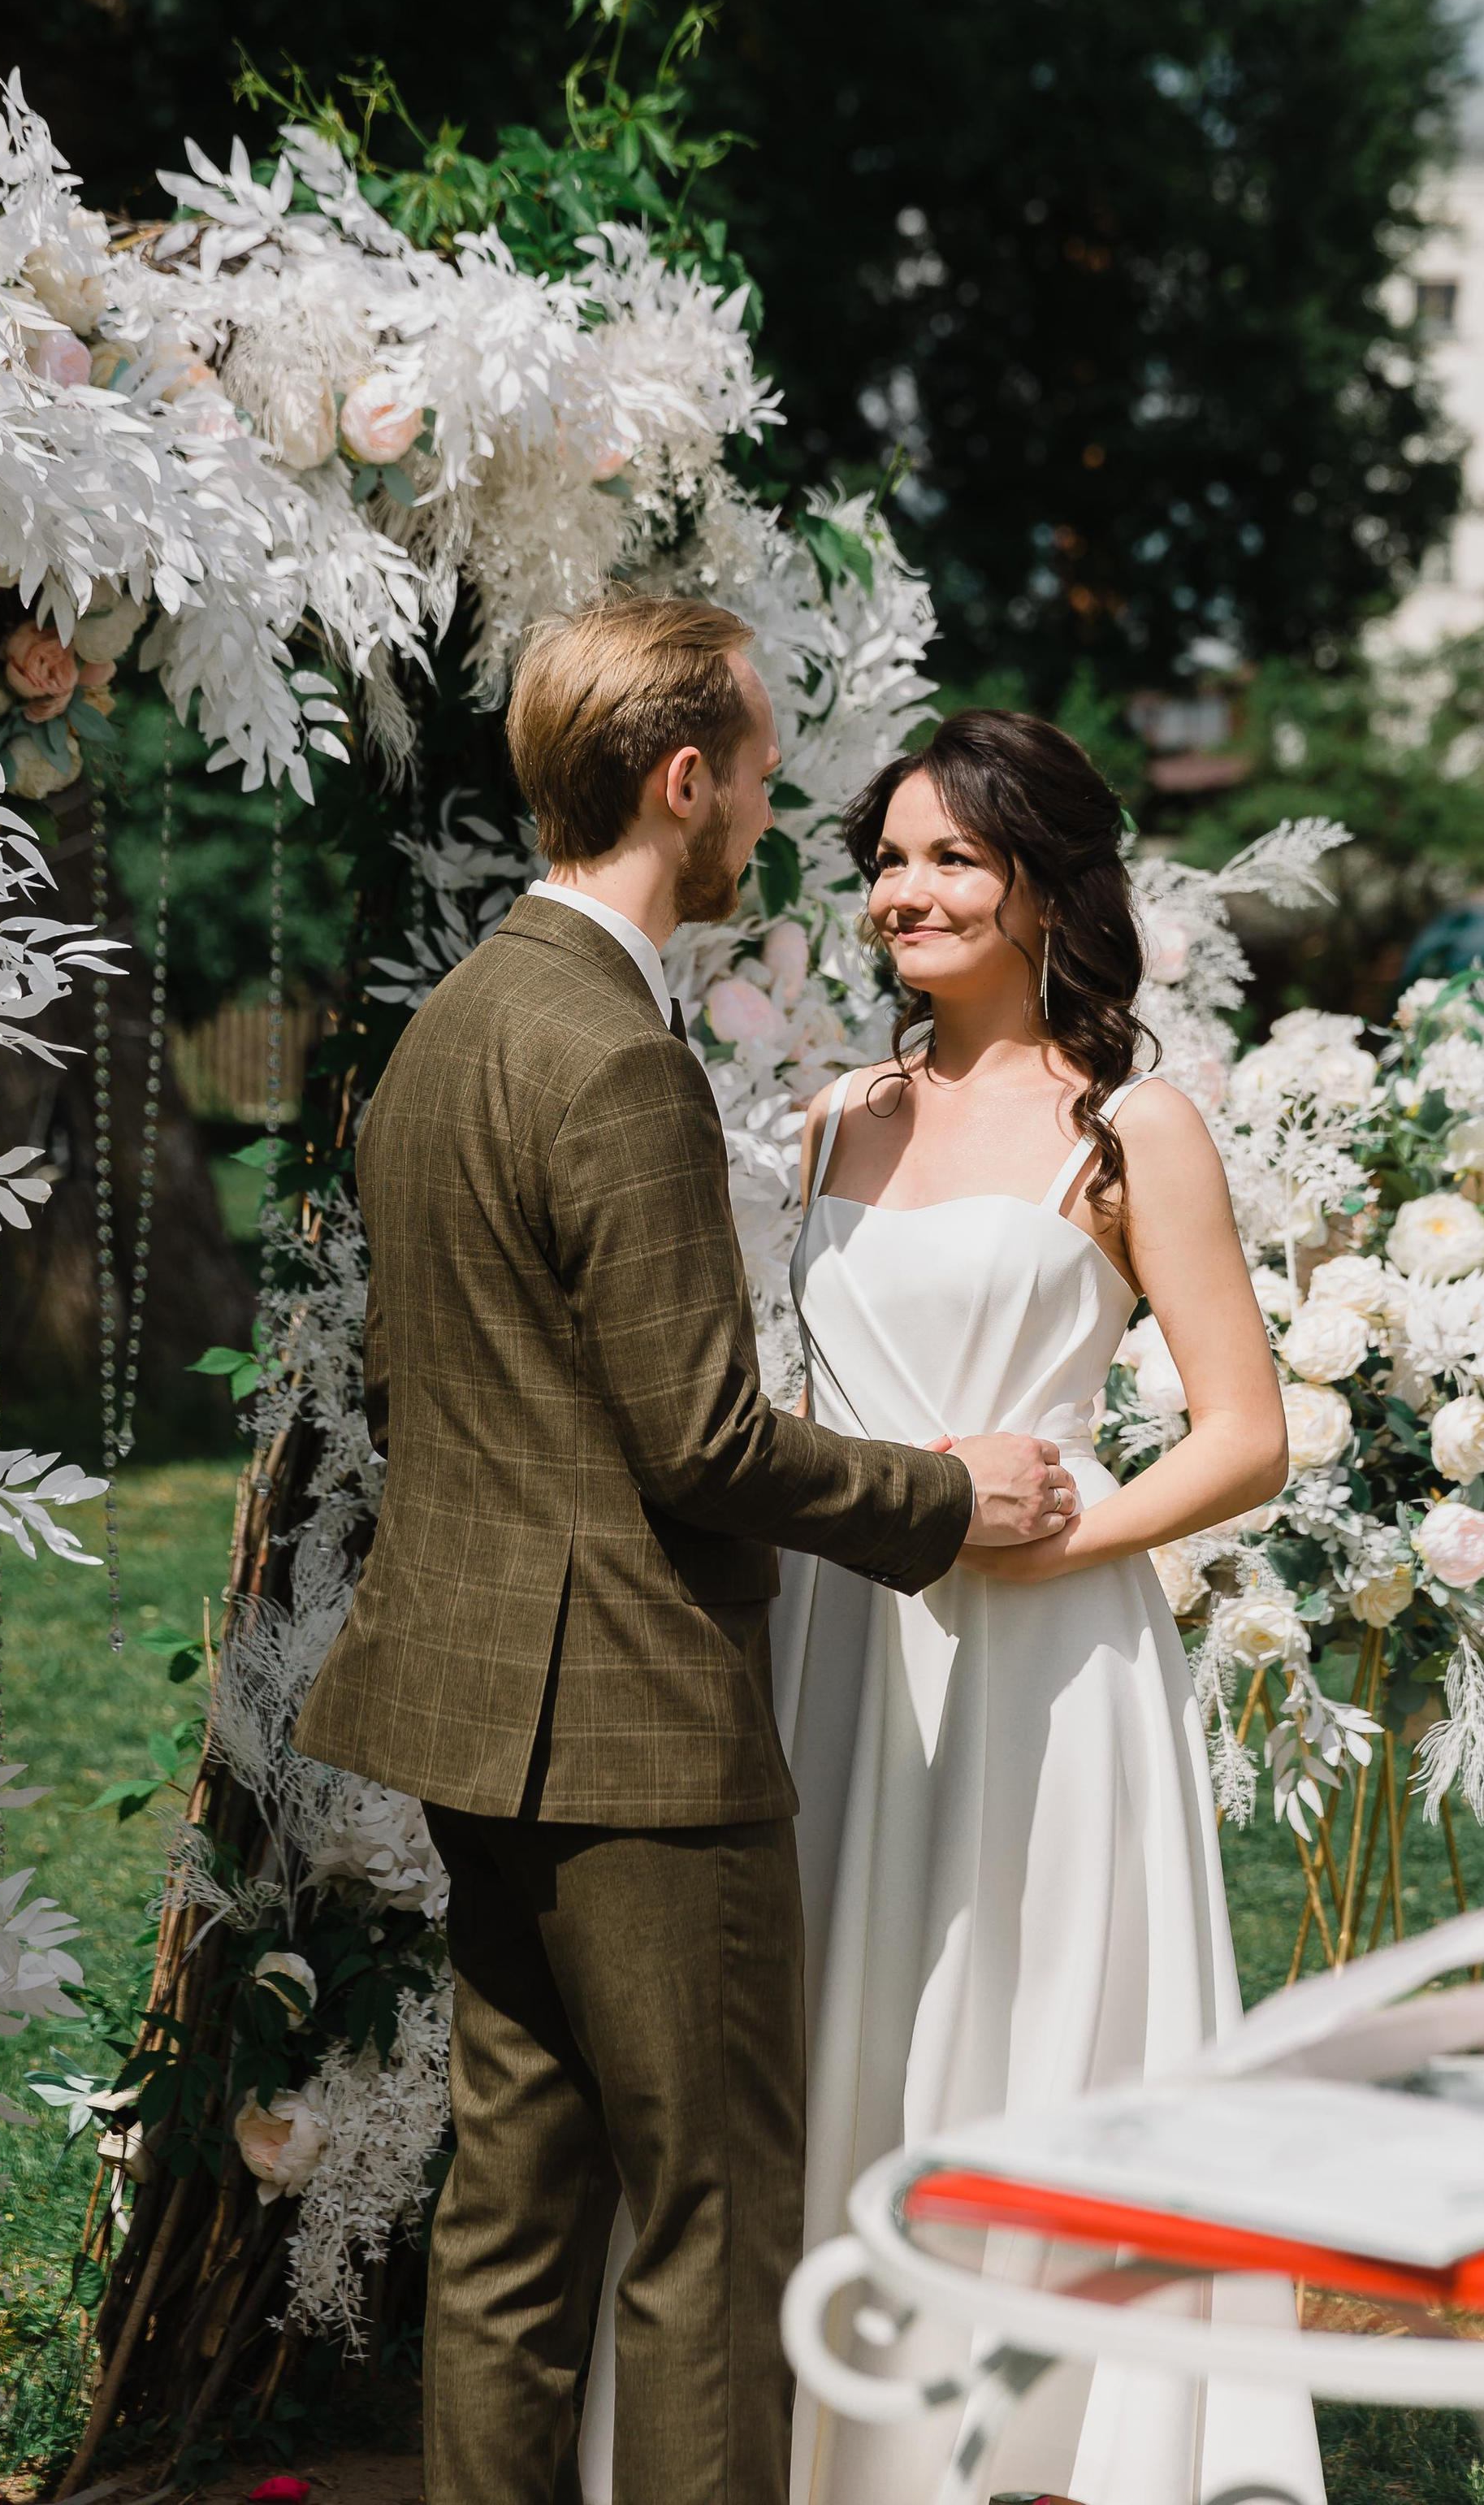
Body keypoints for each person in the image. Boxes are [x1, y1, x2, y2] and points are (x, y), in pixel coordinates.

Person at [293, 600, 1077, 2505]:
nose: (766, 805)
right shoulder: (618, 1060)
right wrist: (946, 1497)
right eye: (754, 767)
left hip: (476, 1709)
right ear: (678, 779)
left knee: (511, 2214)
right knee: (714, 2225)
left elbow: (439, 1382)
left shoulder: (453, 1027)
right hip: (640, 1722)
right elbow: (699, 1441)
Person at [775, 709, 1326, 2505]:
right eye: (885, 863)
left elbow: (1244, 1437)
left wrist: (1054, 1541)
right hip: (839, 1640)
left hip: (1042, 1665)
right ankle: (852, 2437)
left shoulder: (1128, 1124)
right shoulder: (833, 1120)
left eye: (950, 857)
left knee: (1025, 2035)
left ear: (1041, 887)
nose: (905, 894)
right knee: (847, 2026)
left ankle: (1044, 2448)